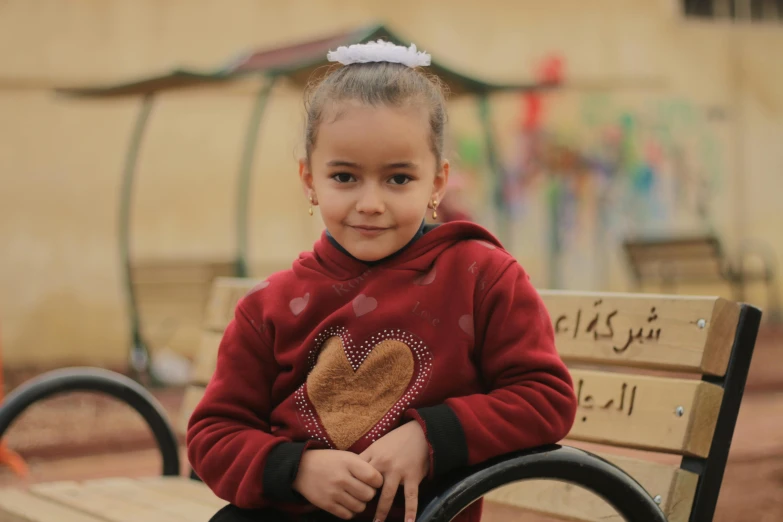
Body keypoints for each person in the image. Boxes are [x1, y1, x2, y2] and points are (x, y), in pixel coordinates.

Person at [187, 40, 577, 522]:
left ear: (437, 182)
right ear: (310, 179)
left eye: (398, 179)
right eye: (345, 177)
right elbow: (213, 435)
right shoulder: (268, 307)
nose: (370, 202)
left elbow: (544, 399)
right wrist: (298, 470)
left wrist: (428, 437)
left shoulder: (482, 278)